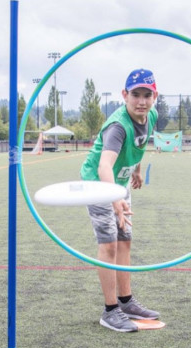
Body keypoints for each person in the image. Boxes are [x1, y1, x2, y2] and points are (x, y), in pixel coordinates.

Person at [81, 68, 160, 332]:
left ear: (154, 96)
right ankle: (110, 310)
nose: (141, 101)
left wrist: (137, 169)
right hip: (99, 184)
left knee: (125, 238)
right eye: (135, 94)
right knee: (110, 245)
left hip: (120, 181)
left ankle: (126, 301)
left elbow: (140, 144)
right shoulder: (117, 127)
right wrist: (115, 200)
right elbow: (104, 167)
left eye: (146, 95)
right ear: (124, 95)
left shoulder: (151, 115)